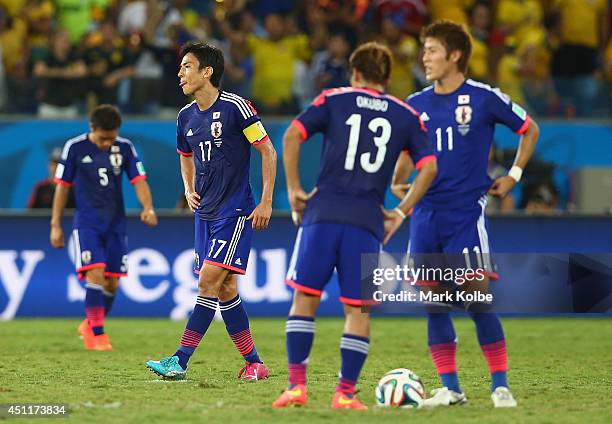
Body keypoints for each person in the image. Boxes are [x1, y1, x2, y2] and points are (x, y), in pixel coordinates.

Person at [272, 41, 437, 410]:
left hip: (322, 212)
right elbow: (428, 166)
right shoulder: (406, 115)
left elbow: (292, 134)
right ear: (388, 78)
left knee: (305, 298)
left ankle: (297, 388)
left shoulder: (333, 99)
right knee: (358, 310)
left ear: (355, 73)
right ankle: (345, 394)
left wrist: (296, 189)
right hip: (367, 220)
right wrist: (401, 211)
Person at [391, 20, 539, 408]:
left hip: (464, 216)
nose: (425, 57)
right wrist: (398, 179)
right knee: (434, 303)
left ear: (455, 55)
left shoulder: (484, 97)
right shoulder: (417, 103)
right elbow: (409, 149)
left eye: (432, 50)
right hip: (424, 216)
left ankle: (500, 386)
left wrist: (513, 175)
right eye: (423, 50)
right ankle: (451, 388)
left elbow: (529, 128)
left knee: (476, 299)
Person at [146, 42, 277, 381]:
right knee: (225, 289)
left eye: (187, 66)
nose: (180, 73)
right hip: (204, 215)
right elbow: (184, 154)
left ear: (207, 72)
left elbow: (267, 152)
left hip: (234, 213)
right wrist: (188, 188)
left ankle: (179, 360)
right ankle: (255, 364)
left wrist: (265, 201)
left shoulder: (236, 107)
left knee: (207, 282)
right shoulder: (184, 117)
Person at [50, 104, 158, 351]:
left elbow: (139, 181)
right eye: (102, 139)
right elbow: (62, 187)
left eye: (111, 139)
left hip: (115, 223)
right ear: (91, 128)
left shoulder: (126, 148)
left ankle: (90, 324)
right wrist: (55, 224)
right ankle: (97, 335)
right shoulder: (75, 148)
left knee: (112, 283)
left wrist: (148, 207)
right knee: (95, 272)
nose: (106, 144)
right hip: (87, 222)